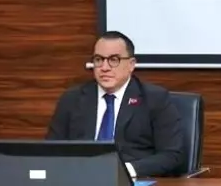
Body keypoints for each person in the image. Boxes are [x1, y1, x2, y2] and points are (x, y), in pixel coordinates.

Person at [46, 31, 184, 177]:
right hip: (80, 179)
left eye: (114, 60)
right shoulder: (72, 99)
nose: (104, 67)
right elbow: (51, 150)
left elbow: (172, 154)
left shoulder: (154, 99)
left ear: (131, 64)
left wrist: (127, 171)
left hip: (134, 181)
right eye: (98, 59)